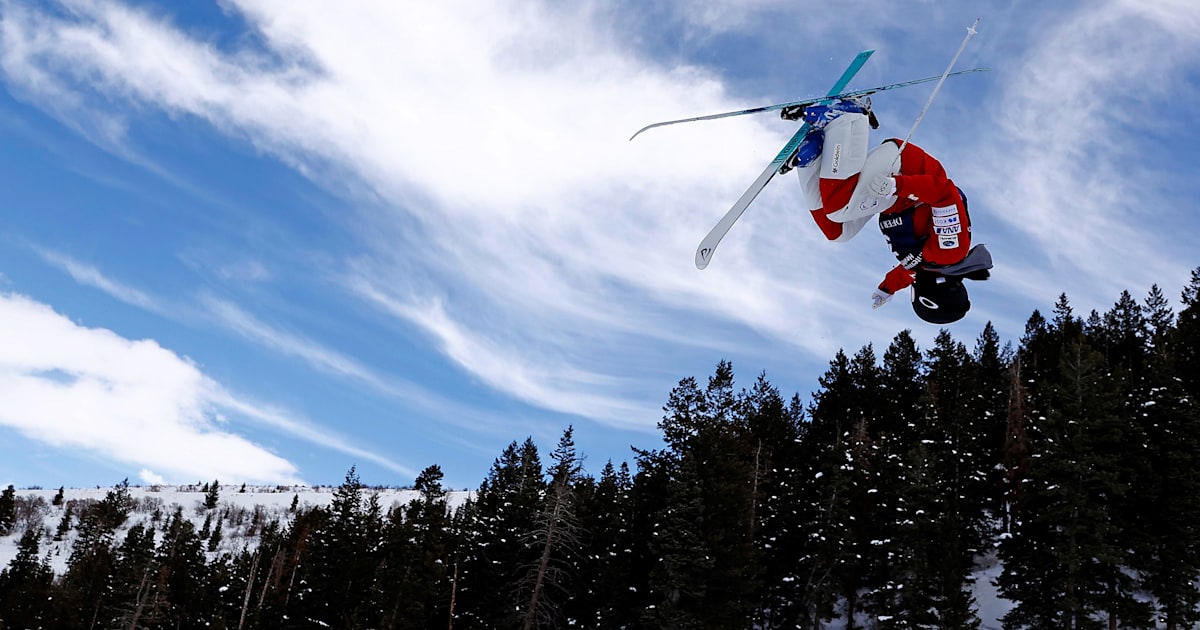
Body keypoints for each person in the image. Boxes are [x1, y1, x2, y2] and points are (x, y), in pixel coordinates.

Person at [780, 98, 992, 324]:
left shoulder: (925, 269)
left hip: (891, 197)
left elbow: (901, 276)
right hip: (906, 170)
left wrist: (886, 290)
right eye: (915, 294)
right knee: (840, 209)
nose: (912, 288)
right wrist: (899, 185)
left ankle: (811, 157)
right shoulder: (949, 252)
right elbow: (945, 194)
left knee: (838, 231)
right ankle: (848, 118)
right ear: (932, 295)